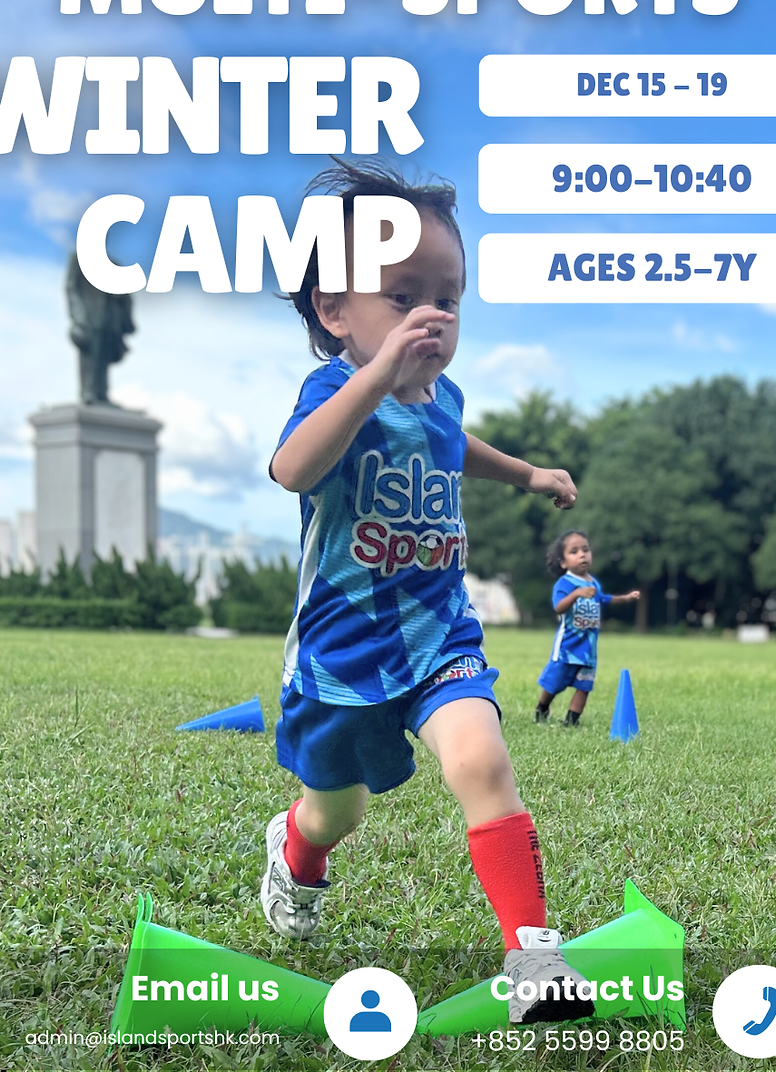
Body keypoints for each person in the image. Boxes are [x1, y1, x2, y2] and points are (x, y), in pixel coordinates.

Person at [260, 159, 594, 1025]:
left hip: (440, 636)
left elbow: (454, 438)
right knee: (339, 810)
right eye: (403, 295)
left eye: (448, 296)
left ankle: (534, 961)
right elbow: (291, 466)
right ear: (334, 310)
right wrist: (372, 381)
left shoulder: (442, 396)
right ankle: (297, 850)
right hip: (342, 653)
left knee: (482, 760)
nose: (432, 316)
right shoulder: (333, 389)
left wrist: (525, 473)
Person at [534, 531, 639, 726]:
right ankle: (542, 707)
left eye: (585, 549)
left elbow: (604, 599)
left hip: (588, 649)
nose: (582, 554)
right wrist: (577, 594)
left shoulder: (593, 583)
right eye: (574, 551)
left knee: (584, 686)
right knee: (554, 684)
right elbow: (559, 607)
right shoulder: (564, 583)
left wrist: (625, 597)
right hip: (567, 648)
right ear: (563, 562)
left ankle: (571, 722)